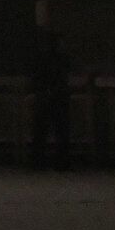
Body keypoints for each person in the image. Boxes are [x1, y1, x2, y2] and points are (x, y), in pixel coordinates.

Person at [28, 25, 72, 169]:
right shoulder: (60, 59)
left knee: (44, 129)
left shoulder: (44, 57)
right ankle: (59, 161)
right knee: (58, 129)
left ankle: (40, 160)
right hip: (55, 96)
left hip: (49, 95)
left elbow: (36, 77)